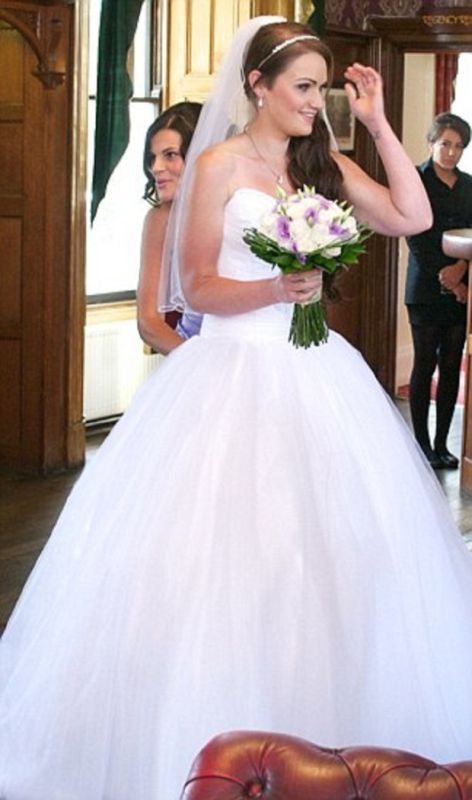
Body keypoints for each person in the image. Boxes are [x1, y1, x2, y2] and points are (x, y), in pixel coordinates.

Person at [2, 17, 472, 800]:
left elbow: (413, 218)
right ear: (258, 85)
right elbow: (195, 287)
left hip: (317, 372)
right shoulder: (218, 165)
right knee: (224, 557)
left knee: (331, 554)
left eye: (321, 88)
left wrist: (380, 125)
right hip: (231, 370)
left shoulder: (322, 162)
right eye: (303, 87)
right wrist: (277, 288)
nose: (315, 102)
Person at [405, 112, 472, 470]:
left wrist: (461, 270)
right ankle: (421, 446)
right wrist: (446, 276)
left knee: (450, 365)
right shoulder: (416, 180)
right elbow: (415, 235)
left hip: (462, 284)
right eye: (445, 144)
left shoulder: (469, 185)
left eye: (459, 146)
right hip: (425, 286)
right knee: (425, 362)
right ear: (431, 143)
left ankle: (443, 444)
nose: (451, 152)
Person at [137, 101, 203, 353]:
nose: (156, 168)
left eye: (170, 155)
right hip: (189, 356)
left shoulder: (239, 212)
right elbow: (148, 322)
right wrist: (196, 364)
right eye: (152, 158)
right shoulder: (160, 219)